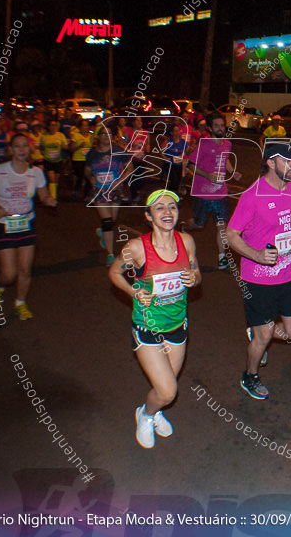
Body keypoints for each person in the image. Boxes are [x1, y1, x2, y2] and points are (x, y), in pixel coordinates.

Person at [108, 189, 201, 449]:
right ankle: (146, 415)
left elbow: (196, 272)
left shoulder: (187, 241)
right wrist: (133, 291)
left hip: (178, 325)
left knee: (166, 387)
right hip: (148, 328)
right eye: (159, 208)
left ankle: (156, 410)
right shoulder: (136, 248)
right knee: (168, 391)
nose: (167, 212)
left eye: (171, 207)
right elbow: (115, 273)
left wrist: (194, 279)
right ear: (148, 216)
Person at [225, 143, 291, 400]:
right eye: (288, 161)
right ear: (271, 162)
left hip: (288, 274)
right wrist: (257, 256)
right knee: (263, 337)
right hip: (258, 279)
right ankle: (250, 376)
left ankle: (259, 330)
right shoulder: (252, 196)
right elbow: (231, 234)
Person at [0, 133, 57, 320]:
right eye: (17, 146)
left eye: (25, 145)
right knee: (9, 274)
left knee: (24, 270)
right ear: (10, 149)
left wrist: (49, 200)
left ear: (29, 148)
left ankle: (20, 303)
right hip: (3, 224)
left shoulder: (36, 172)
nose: (22, 149)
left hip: (26, 223)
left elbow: (43, 194)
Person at [182, 112, 242, 270]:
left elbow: (225, 158)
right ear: (210, 128)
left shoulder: (227, 144)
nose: (220, 128)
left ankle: (222, 258)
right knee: (199, 224)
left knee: (221, 225)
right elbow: (190, 165)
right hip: (203, 193)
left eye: (222, 125)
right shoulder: (204, 144)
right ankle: (184, 227)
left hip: (220, 193)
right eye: (217, 125)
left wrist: (232, 171)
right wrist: (208, 175)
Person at [85, 127, 125, 265]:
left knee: (112, 220)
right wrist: (92, 180)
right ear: (98, 137)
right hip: (100, 190)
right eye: (103, 134)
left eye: (109, 133)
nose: (106, 136)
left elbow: (129, 167)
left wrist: (119, 181)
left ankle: (102, 231)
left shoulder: (119, 151)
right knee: (107, 221)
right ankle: (111, 254)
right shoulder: (92, 154)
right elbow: (87, 171)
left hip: (114, 190)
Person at [39, 119, 69, 200]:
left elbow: (66, 146)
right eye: (51, 125)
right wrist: (42, 151)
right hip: (48, 160)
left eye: (55, 125)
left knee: (56, 180)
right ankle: (53, 198)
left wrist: (64, 146)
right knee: (52, 180)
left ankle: (52, 192)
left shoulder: (60, 135)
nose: (53, 127)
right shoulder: (44, 136)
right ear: (48, 127)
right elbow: (41, 146)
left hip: (58, 161)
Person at [69, 118, 93, 200]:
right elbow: (71, 149)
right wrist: (79, 146)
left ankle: (86, 195)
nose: (85, 127)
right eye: (83, 126)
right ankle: (75, 190)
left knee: (88, 177)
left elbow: (94, 147)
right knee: (80, 176)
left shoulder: (90, 136)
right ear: (80, 127)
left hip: (88, 160)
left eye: (87, 126)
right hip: (78, 159)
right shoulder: (76, 136)